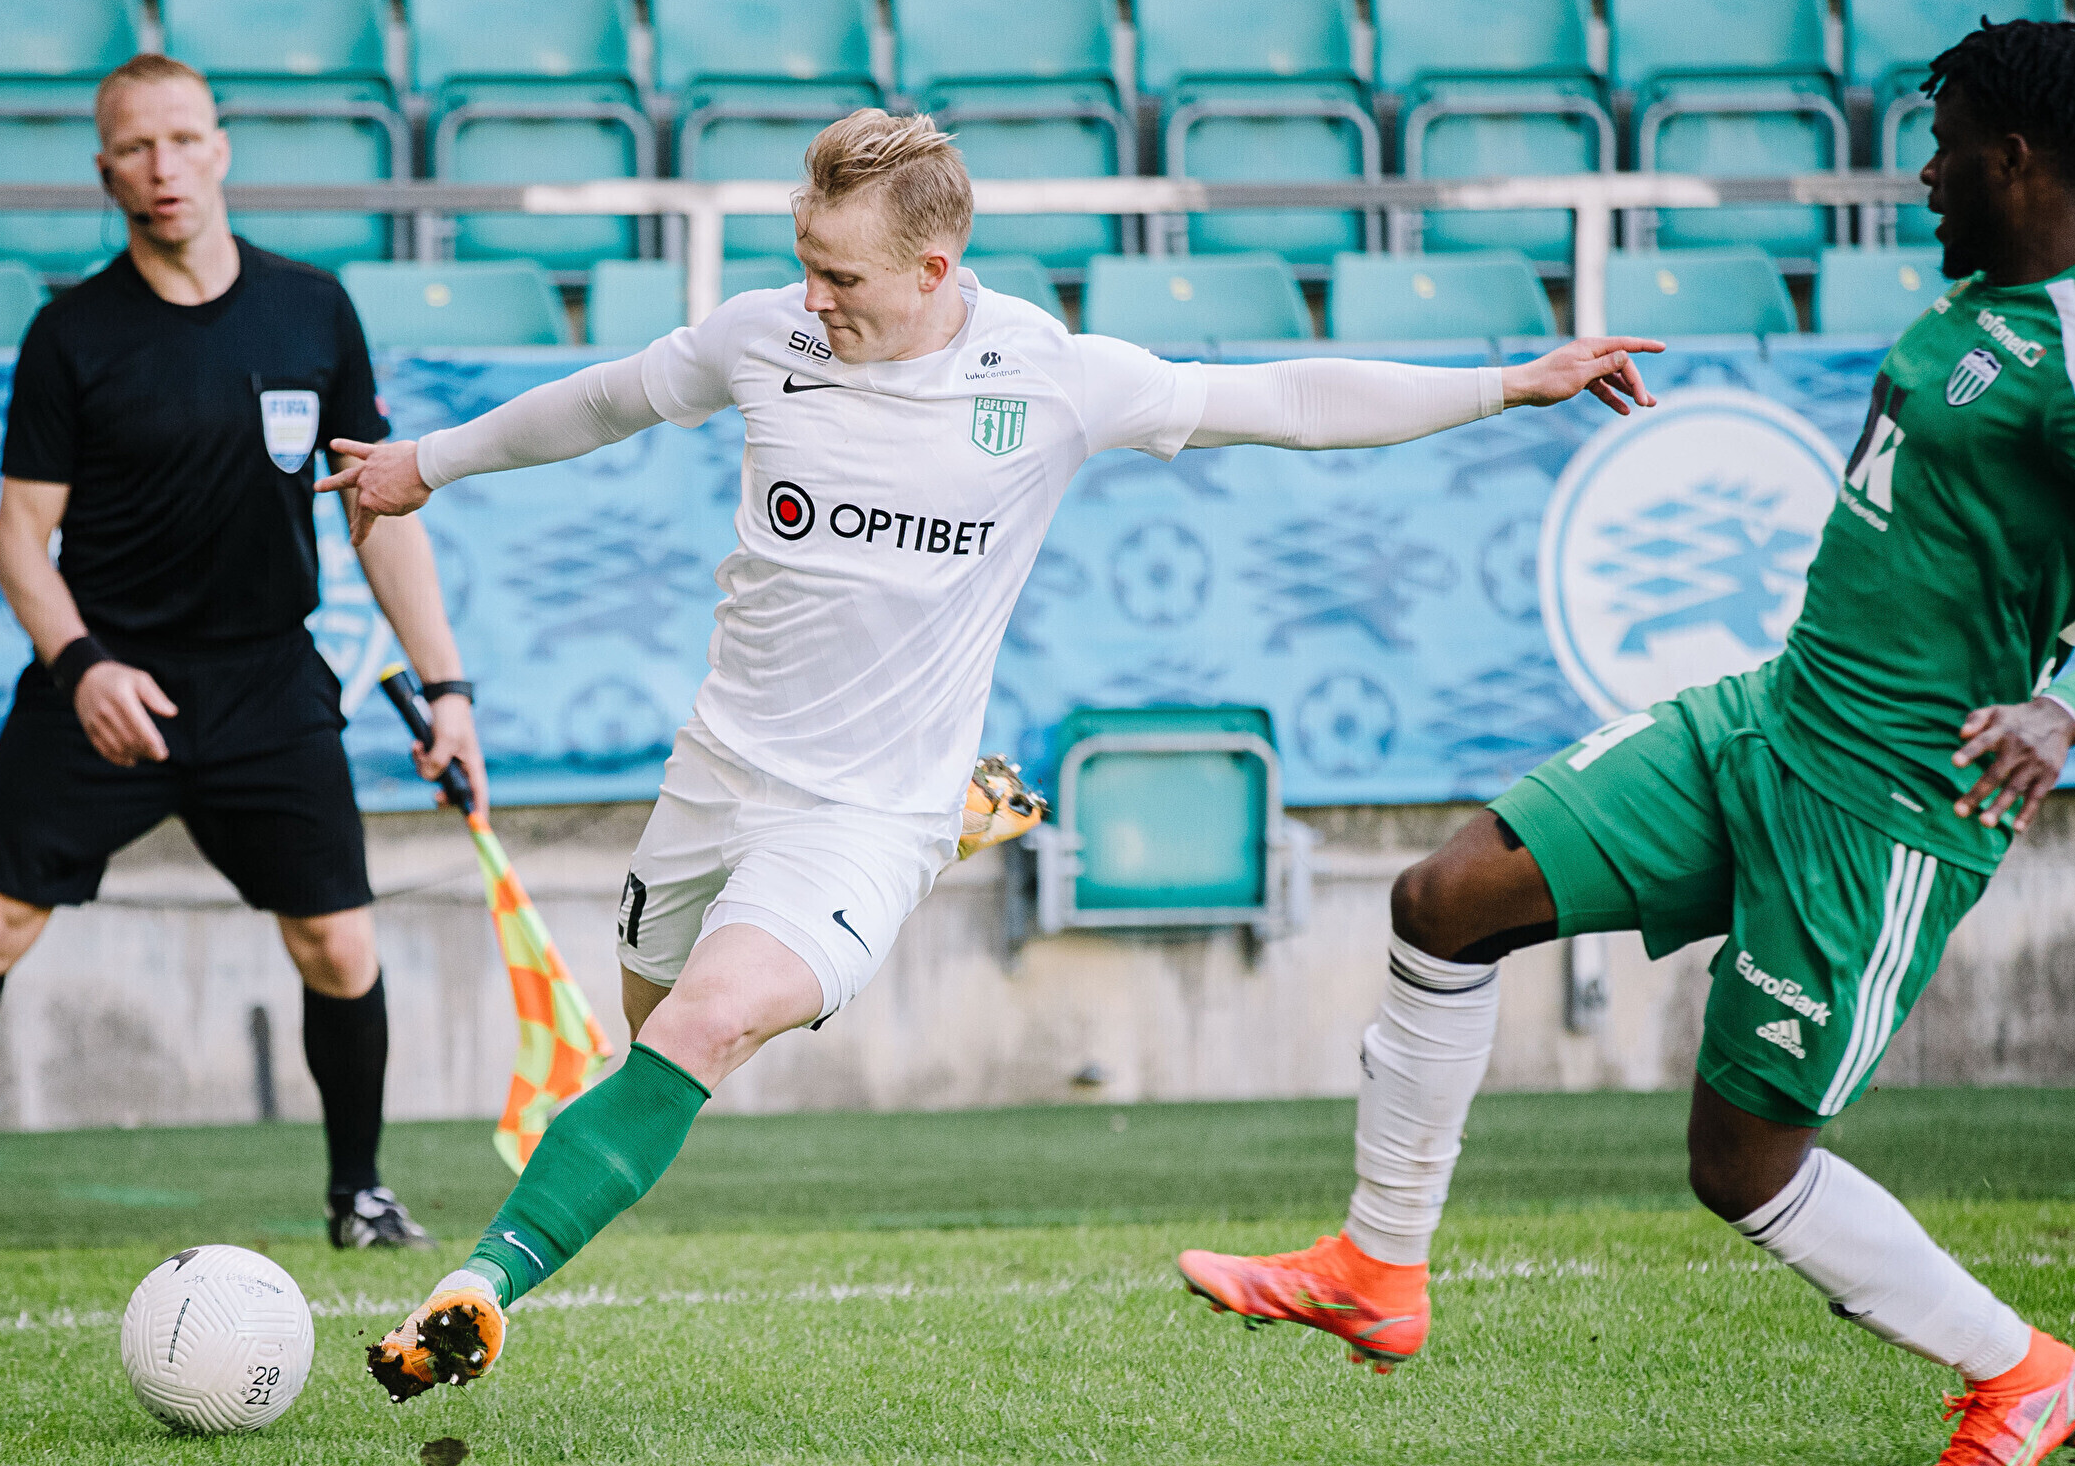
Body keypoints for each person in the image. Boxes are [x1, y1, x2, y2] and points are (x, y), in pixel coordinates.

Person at [319, 108, 1665, 1400]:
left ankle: (478, 1287)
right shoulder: (766, 335)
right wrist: (427, 462)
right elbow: (610, 397)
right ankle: (951, 816)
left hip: (861, 815)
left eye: (842, 276)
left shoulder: (1048, 376)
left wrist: (1509, 382)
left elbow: (1288, 397)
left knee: (702, 1030)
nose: (814, 297)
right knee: (648, 1032)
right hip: (716, 774)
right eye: (804, 263)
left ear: (934, 268)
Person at [1174, 20, 2075, 1466]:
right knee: (1444, 897)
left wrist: (2065, 709)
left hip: (1885, 808)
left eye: (1946, 147)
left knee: (1741, 1167)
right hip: (1767, 723)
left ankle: (2024, 1372)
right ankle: (1376, 1267)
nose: (1923, 175)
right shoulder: (1980, 305)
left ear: (2016, 157)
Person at [0, 54, 484, 1270]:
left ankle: (359, 1190)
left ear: (221, 149)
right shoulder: (71, 334)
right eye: (136, 148)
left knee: (339, 946)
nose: (164, 167)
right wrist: (82, 665)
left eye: (184, 139)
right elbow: (19, 543)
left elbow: (380, 511)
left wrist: (447, 688)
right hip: (105, 681)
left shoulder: (313, 310)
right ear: (107, 173)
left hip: (266, 679)